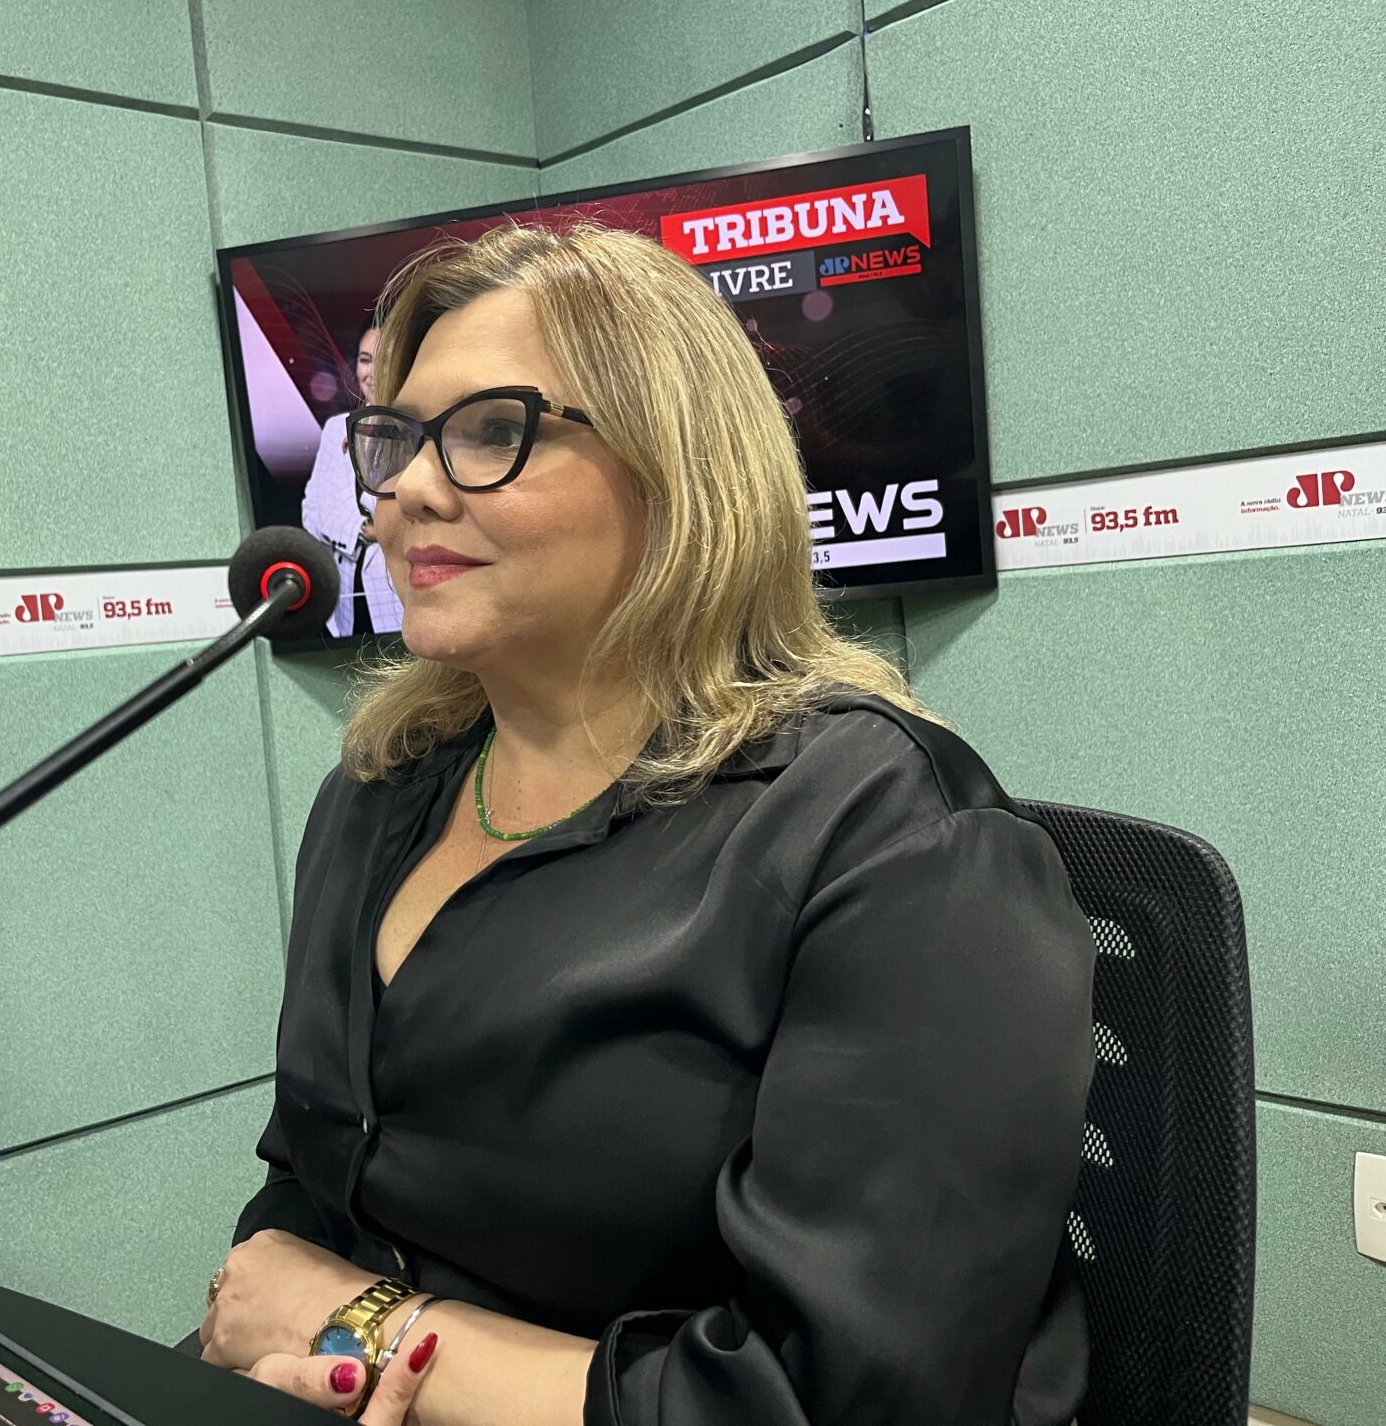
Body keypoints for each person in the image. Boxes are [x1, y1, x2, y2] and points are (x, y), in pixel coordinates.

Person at [196, 223, 1095, 1426]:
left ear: (676, 472)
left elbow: (842, 1402)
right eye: (395, 440)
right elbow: (307, 1187)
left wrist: (366, 1329)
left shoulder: (892, 838)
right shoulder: (377, 793)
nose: (407, 491)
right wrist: (289, 1342)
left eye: (490, 433)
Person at [303, 315, 403, 639]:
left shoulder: (418, 428)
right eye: (365, 360)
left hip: (398, 597)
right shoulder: (337, 429)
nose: (371, 372)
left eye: (384, 359)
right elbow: (312, 512)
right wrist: (360, 530)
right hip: (347, 603)